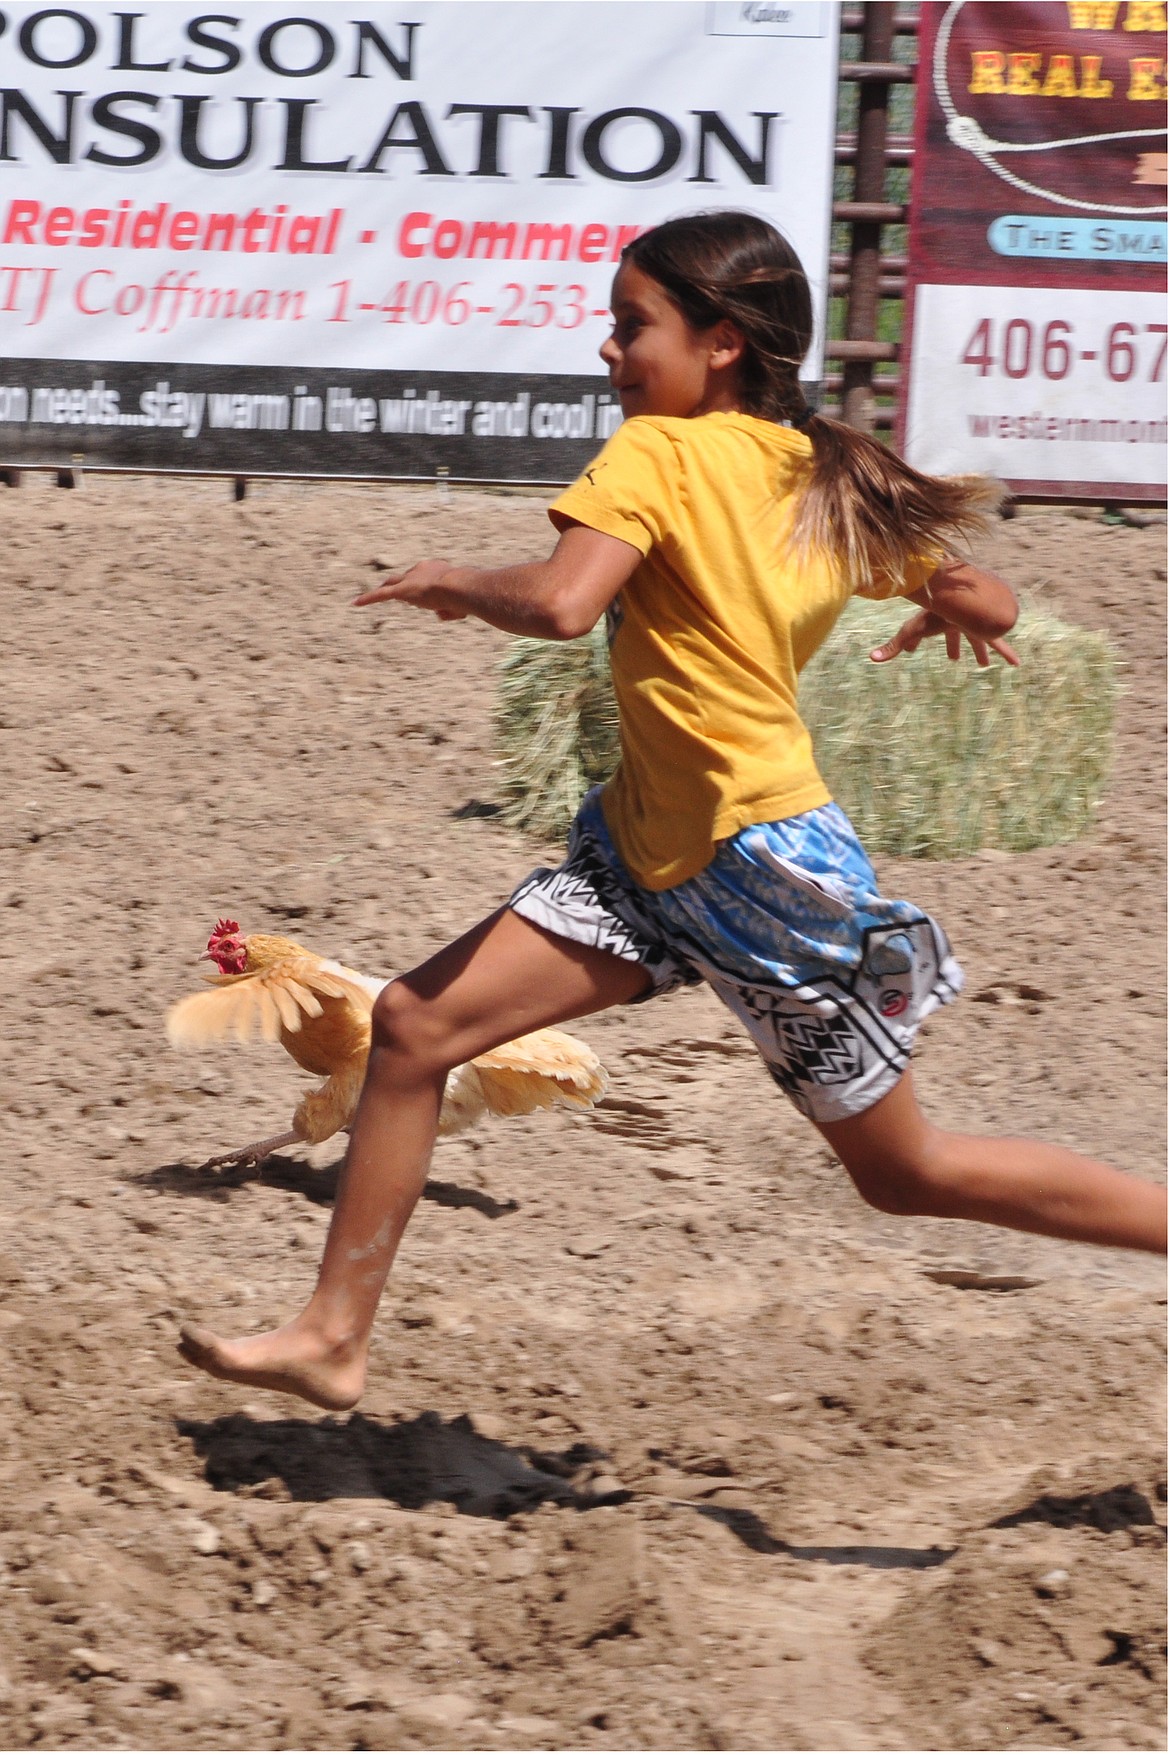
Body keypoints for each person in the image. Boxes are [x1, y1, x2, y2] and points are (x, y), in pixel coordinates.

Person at [179, 211, 1166, 1411]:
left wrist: (450, 579)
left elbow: (558, 607)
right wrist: (957, 606)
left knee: (906, 1175)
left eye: (630, 325)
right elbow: (996, 602)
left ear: (723, 345)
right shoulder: (822, 474)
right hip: (651, 850)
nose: (608, 351)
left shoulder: (653, 456)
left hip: (759, 870)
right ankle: (333, 1335)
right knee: (414, 1028)